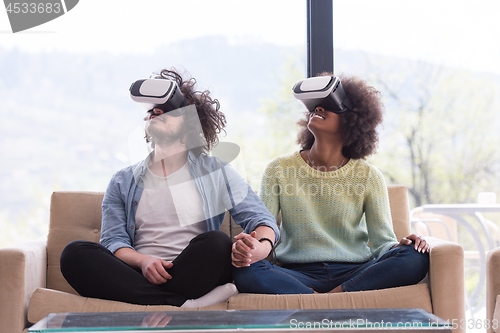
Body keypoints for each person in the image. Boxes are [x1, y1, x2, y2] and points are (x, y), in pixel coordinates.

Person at [60, 68, 279, 307]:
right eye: (153, 111)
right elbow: (114, 241)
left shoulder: (216, 171)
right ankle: (182, 304)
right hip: (137, 274)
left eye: (168, 110)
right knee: (74, 254)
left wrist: (261, 247)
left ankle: (153, 300)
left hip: (192, 273)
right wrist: (143, 262)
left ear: (190, 123)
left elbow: (260, 218)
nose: (156, 112)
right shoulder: (122, 181)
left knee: (217, 242)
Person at [231, 74, 429, 294]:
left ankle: (326, 298)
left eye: (328, 106)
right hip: (295, 273)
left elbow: (382, 242)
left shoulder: (369, 176)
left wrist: (403, 246)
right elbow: (263, 225)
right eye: (315, 106)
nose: (318, 109)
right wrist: (252, 248)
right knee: (243, 269)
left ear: (353, 120)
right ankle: (326, 300)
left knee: (415, 258)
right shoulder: (278, 169)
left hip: (355, 271)